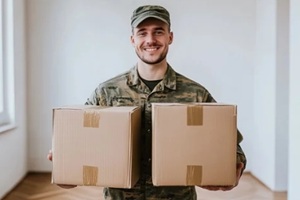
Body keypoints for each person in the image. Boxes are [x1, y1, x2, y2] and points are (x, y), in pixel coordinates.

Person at [48, 5, 246, 199]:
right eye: (142, 33)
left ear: (170, 37)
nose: (150, 40)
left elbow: (230, 141)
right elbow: (81, 139)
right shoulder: (107, 92)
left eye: (158, 32)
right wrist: (66, 163)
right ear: (133, 39)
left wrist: (233, 167)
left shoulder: (195, 93)